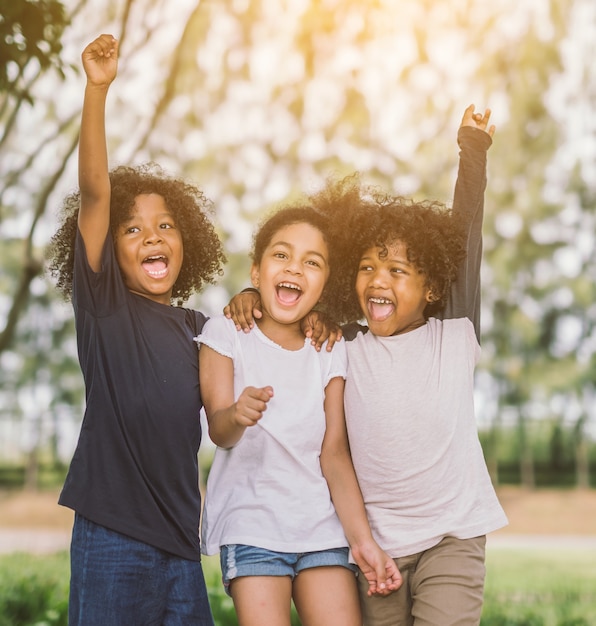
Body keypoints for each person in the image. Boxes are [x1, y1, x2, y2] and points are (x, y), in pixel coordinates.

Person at [226, 105, 508, 625]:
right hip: (373, 546)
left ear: (431, 287)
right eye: (366, 267)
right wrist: (251, 295)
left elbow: (466, 233)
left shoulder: (453, 330)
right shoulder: (342, 340)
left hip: (452, 536)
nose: (378, 280)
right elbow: (293, 294)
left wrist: (473, 148)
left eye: (397, 270)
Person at [46, 34, 225, 625]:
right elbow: (97, 190)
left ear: (186, 241)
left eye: (166, 224)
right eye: (132, 229)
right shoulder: (104, 309)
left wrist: (251, 299)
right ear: (110, 251)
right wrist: (97, 91)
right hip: (112, 538)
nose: (152, 235)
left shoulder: (204, 330)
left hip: (180, 545)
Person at [196, 203, 402, 626]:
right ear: (256, 272)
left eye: (312, 262)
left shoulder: (329, 348)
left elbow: (334, 454)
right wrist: (237, 414)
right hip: (251, 527)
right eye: (281, 255)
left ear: (325, 284)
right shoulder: (226, 333)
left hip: (322, 529)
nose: (295, 268)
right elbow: (220, 430)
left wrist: (364, 544)